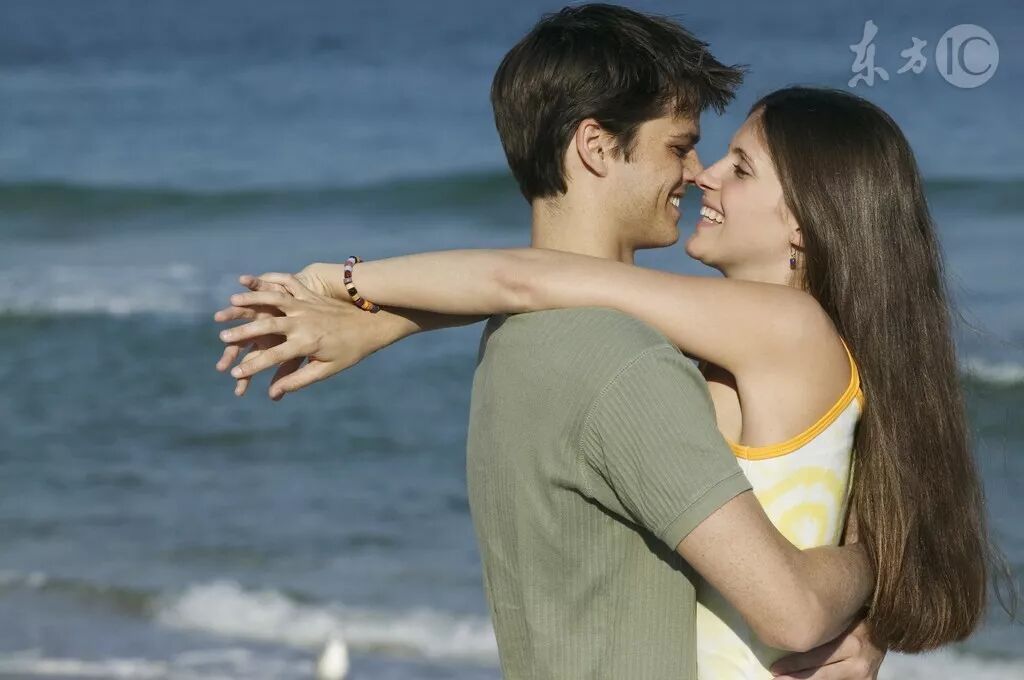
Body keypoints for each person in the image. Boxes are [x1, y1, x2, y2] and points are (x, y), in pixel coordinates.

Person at [213, 6, 916, 679]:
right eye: (680, 146)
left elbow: (523, 284)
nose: (699, 171)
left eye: (736, 164)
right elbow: (793, 608)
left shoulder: (509, 345)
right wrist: (868, 564)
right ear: (595, 145)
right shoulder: (629, 368)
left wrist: (374, 307)